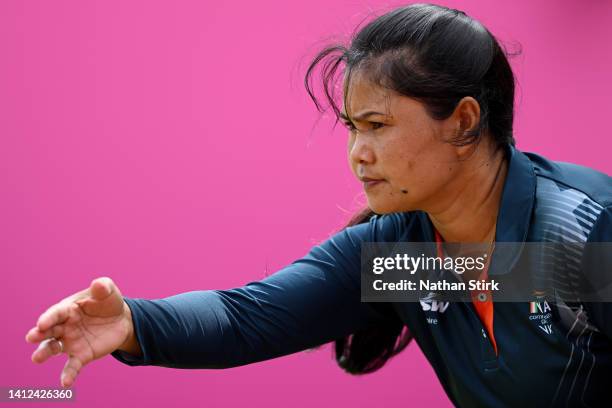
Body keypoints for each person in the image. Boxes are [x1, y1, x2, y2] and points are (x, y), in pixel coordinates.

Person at [25, 3, 612, 407]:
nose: (358, 153)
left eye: (378, 125)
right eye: (352, 127)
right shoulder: (402, 260)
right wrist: (134, 323)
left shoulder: (586, 233)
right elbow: (243, 317)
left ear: (463, 121)